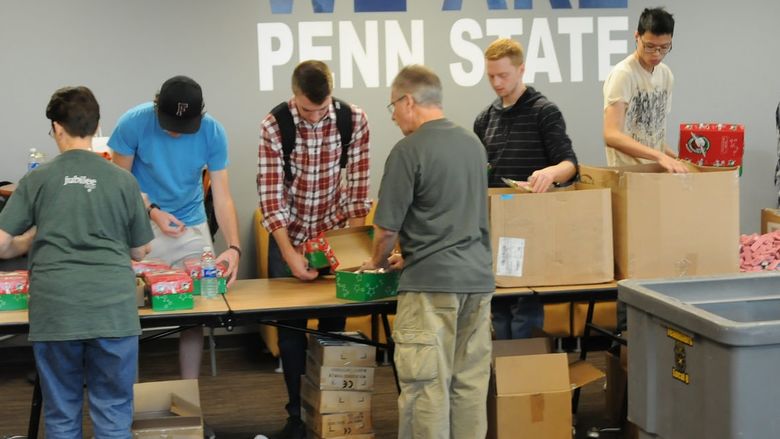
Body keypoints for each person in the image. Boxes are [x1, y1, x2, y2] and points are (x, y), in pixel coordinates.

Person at [0, 86, 153, 438]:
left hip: (56, 311)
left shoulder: (37, 179)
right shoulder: (123, 180)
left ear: (56, 128)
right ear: (98, 129)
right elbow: (140, 251)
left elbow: (4, 243)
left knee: (61, 413)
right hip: (113, 311)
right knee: (114, 413)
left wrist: (33, 236)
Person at [360, 64, 495, 438]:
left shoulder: (408, 150)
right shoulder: (472, 144)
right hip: (478, 283)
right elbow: (462, 215)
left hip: (430, 288)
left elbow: (386, 227)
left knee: (425, 389)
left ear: (408, 101)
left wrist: (375, 262)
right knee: (469, 386)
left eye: (392, 107)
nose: (393, 117)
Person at [256, 60, 371, 439]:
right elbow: (271, 202)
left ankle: (332, 409)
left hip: (333, 234)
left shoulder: (353, 120)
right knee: (290, 329)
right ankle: (295, 412)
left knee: (333, 326)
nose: (315, 117)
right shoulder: (275, 126)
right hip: (289, 234)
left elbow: (357, 193)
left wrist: (355, 255)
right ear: (295, 96)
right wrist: (291, 255)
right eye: (307, 110)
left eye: (322, 110)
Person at [109, 76, 242, 381]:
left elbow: (222, 197)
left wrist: (234, 247)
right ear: (156, 108)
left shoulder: (213, 132)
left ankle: (188, 395)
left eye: (184, 126)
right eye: (169, 123)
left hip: (190, 225)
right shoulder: (133, 123)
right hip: (140, 224)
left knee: (194, 314)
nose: (175, 132)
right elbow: (119, 187)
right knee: (130, 308)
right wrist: (153, 211)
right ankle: (129, 399)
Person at [474, 37, 579, 339]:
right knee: (499, 308)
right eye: (490, 75)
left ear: (521, 70)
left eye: (503, 75)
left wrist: (550, 172)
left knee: (525, 311)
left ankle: (527, 374)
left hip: (532, 227)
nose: (496, 82)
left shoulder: (544, 111)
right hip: (495, 225)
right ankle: (506, 377)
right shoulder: (484, 119)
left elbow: (570, 164)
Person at [603, 7, 687, 173]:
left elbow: (652, 135)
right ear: (637, 37)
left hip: (655, 172)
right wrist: (659, 156)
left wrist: (676, 158)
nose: (657, 54)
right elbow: (611, 134)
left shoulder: (665, 74)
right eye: (650, 46)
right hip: (627, 175)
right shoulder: (623, 74)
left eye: (664, 47)